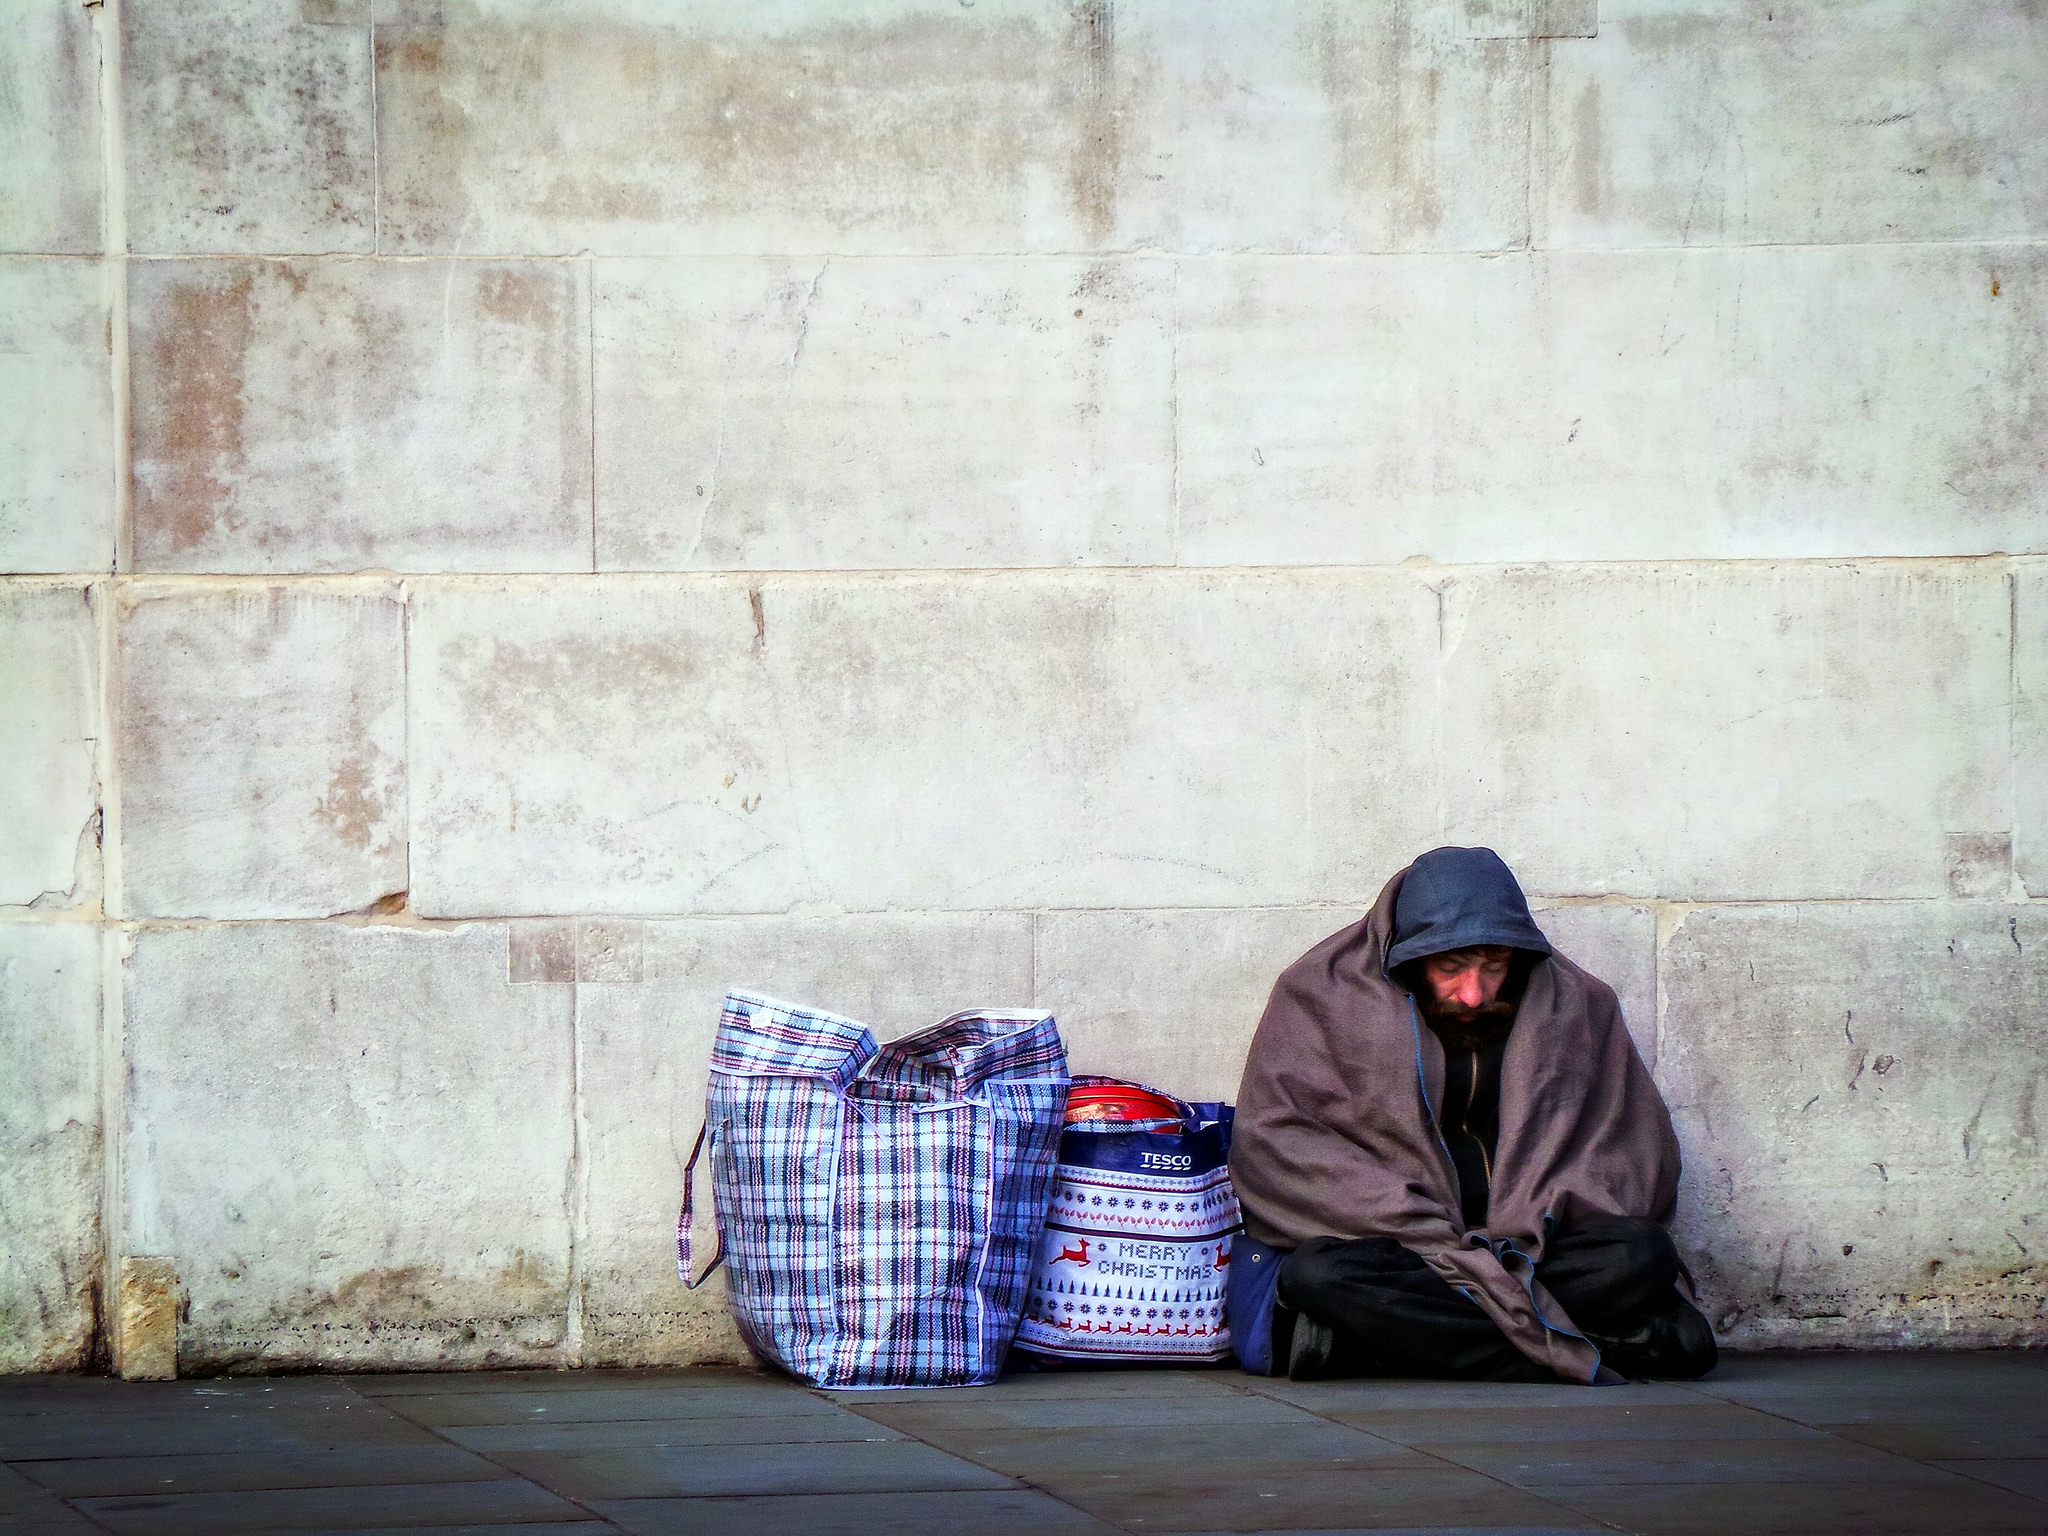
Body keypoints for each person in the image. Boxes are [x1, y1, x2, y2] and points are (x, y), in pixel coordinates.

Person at [1225, 846, 1716, 1383]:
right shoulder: (1317, 997)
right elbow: (1281, 1147)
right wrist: (1414, 1222)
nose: (1474, 993)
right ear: (1406, 955)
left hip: (1536, 1253)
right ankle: (1589, 1351)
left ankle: (1387, 1347)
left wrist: (1537, 1213)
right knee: (1318, 1274)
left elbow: (1628, 1147)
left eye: (1495, 966)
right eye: (1450, 968)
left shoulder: (1579, 1005)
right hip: (1401, 1249)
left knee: (1642, 1254)